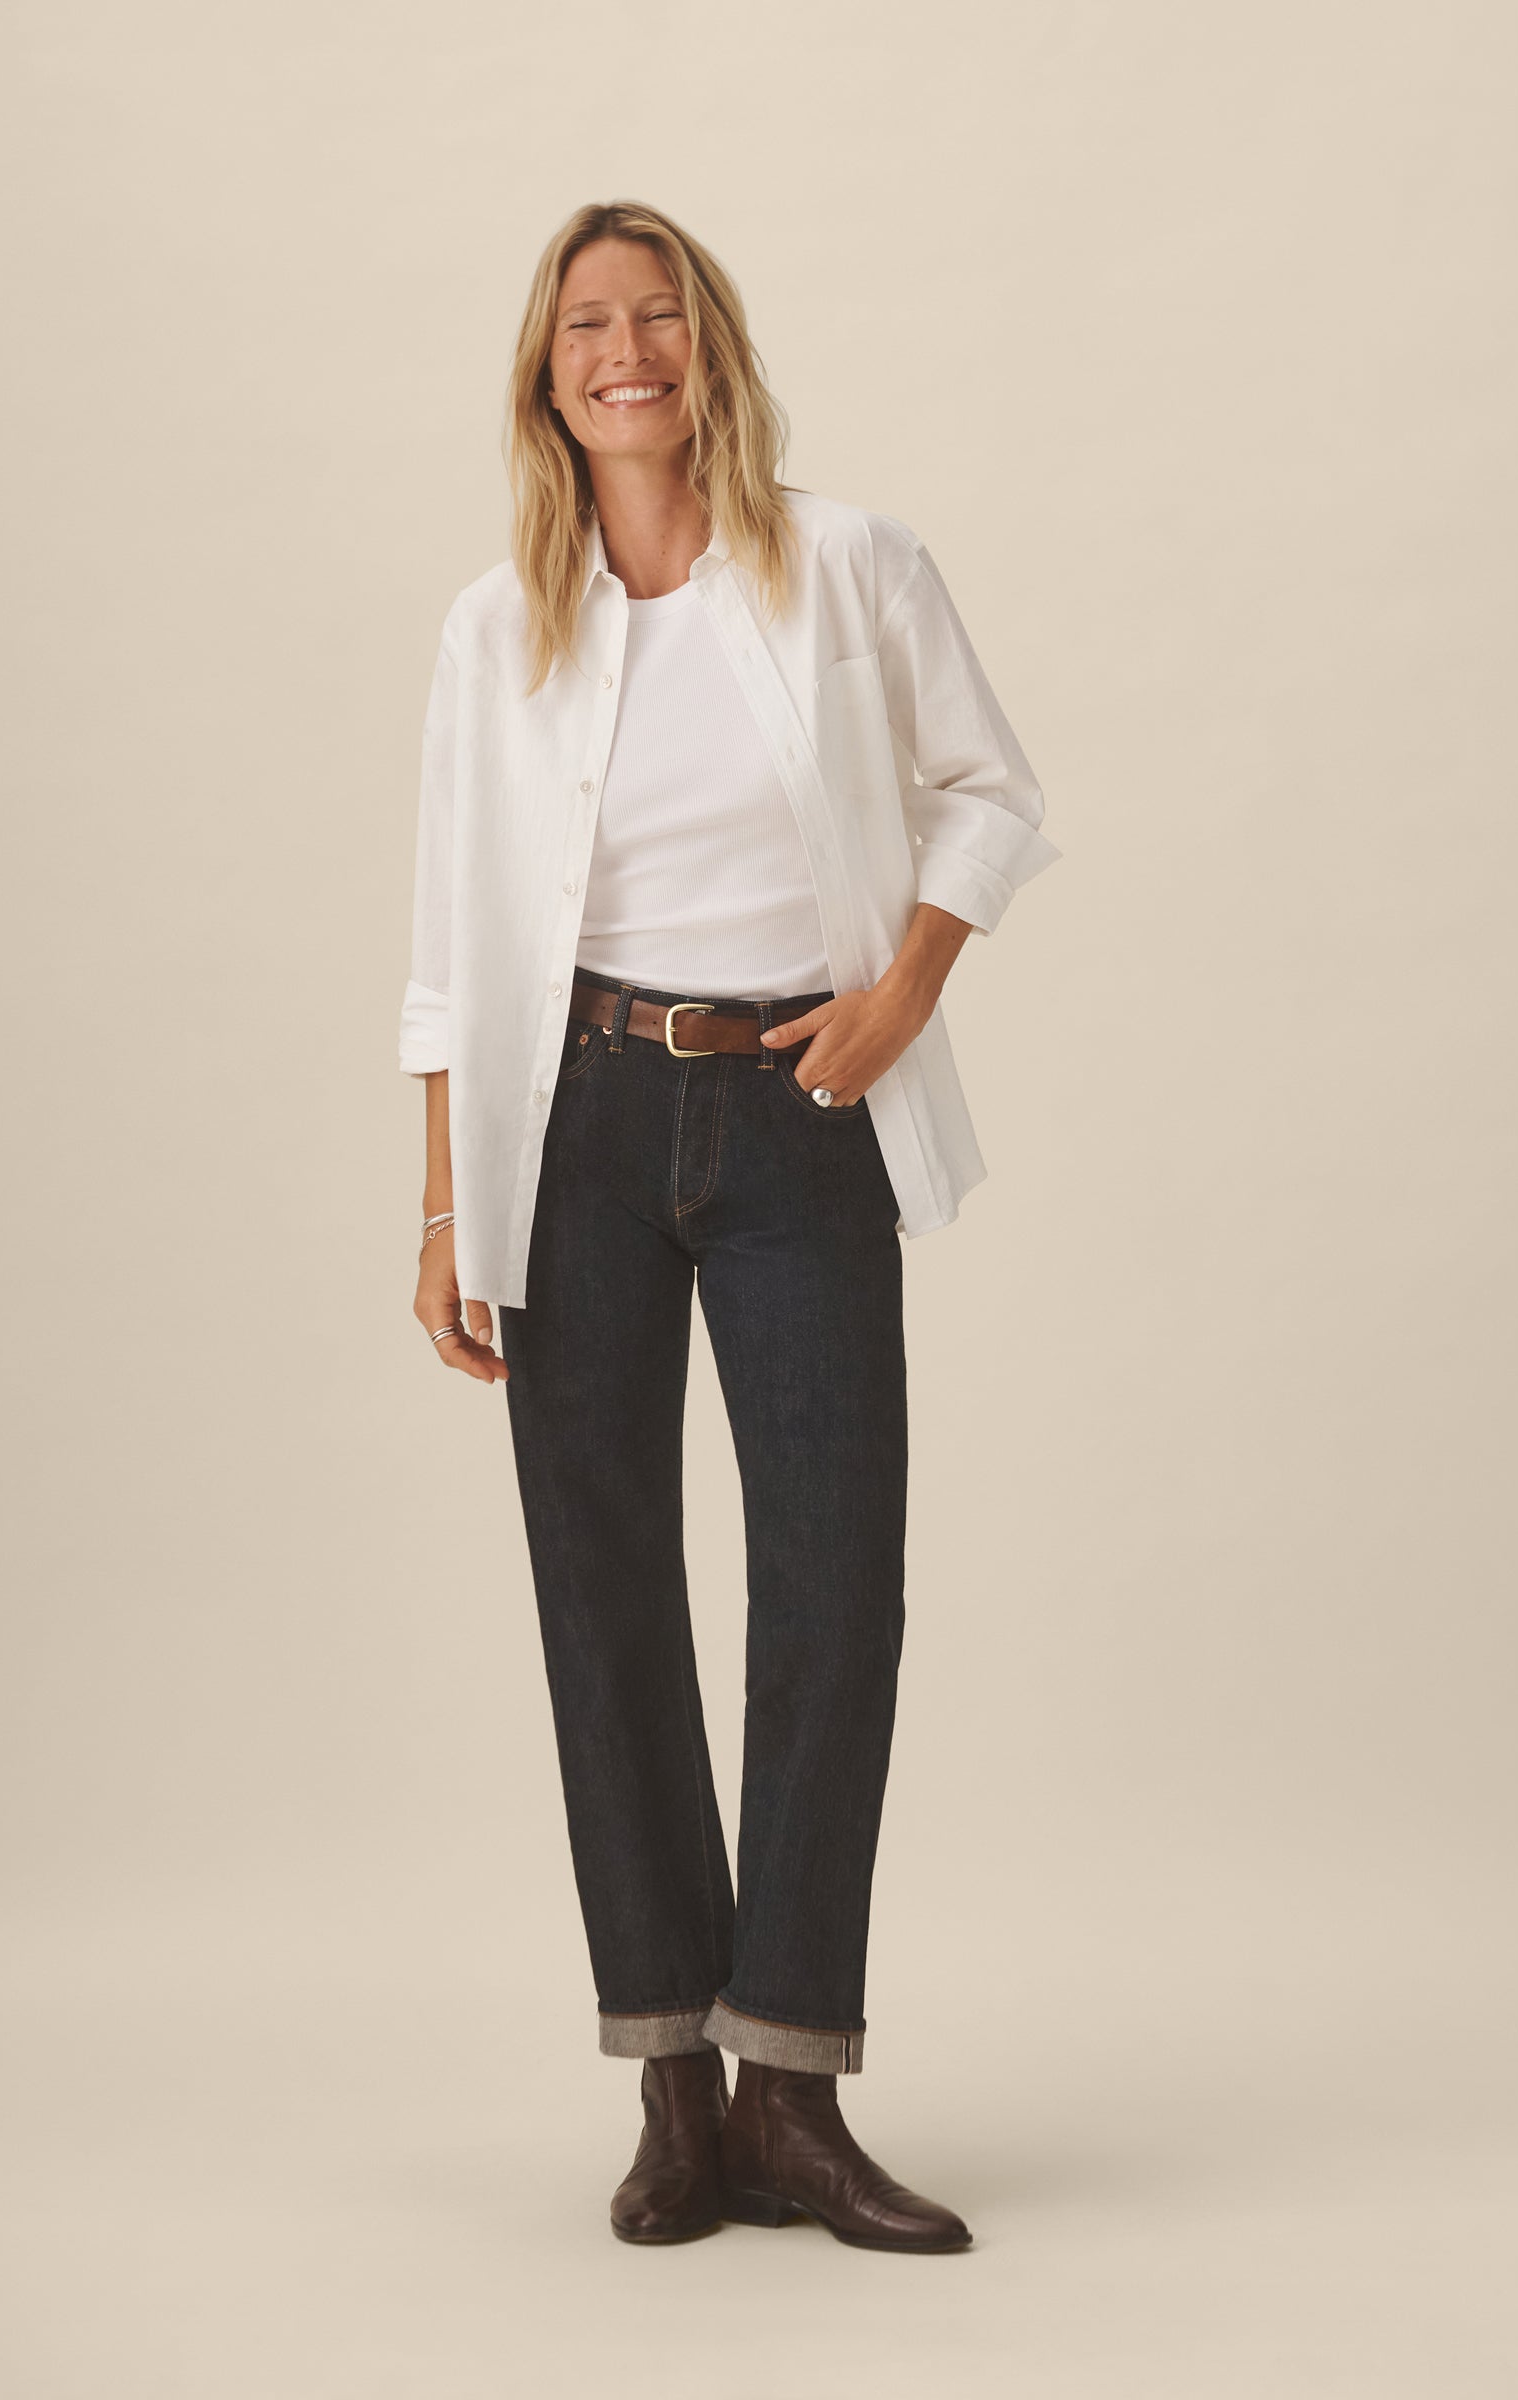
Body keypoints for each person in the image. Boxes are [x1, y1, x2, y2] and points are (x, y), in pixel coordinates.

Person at [398, 199, 1060, 2252]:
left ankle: (794, 2087)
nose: (626, 351)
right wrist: (444, 1202)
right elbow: (446, 939)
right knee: (602, 1594)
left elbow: (992, 792)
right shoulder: (497, 627)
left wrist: (907, 989)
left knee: (833, 1587)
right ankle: (672, 2085)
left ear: (711, 346)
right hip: (575, 1125)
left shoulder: (848, 562)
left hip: (799, 1111)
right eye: (586, 325)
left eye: (658, 315)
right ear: (545, 373)